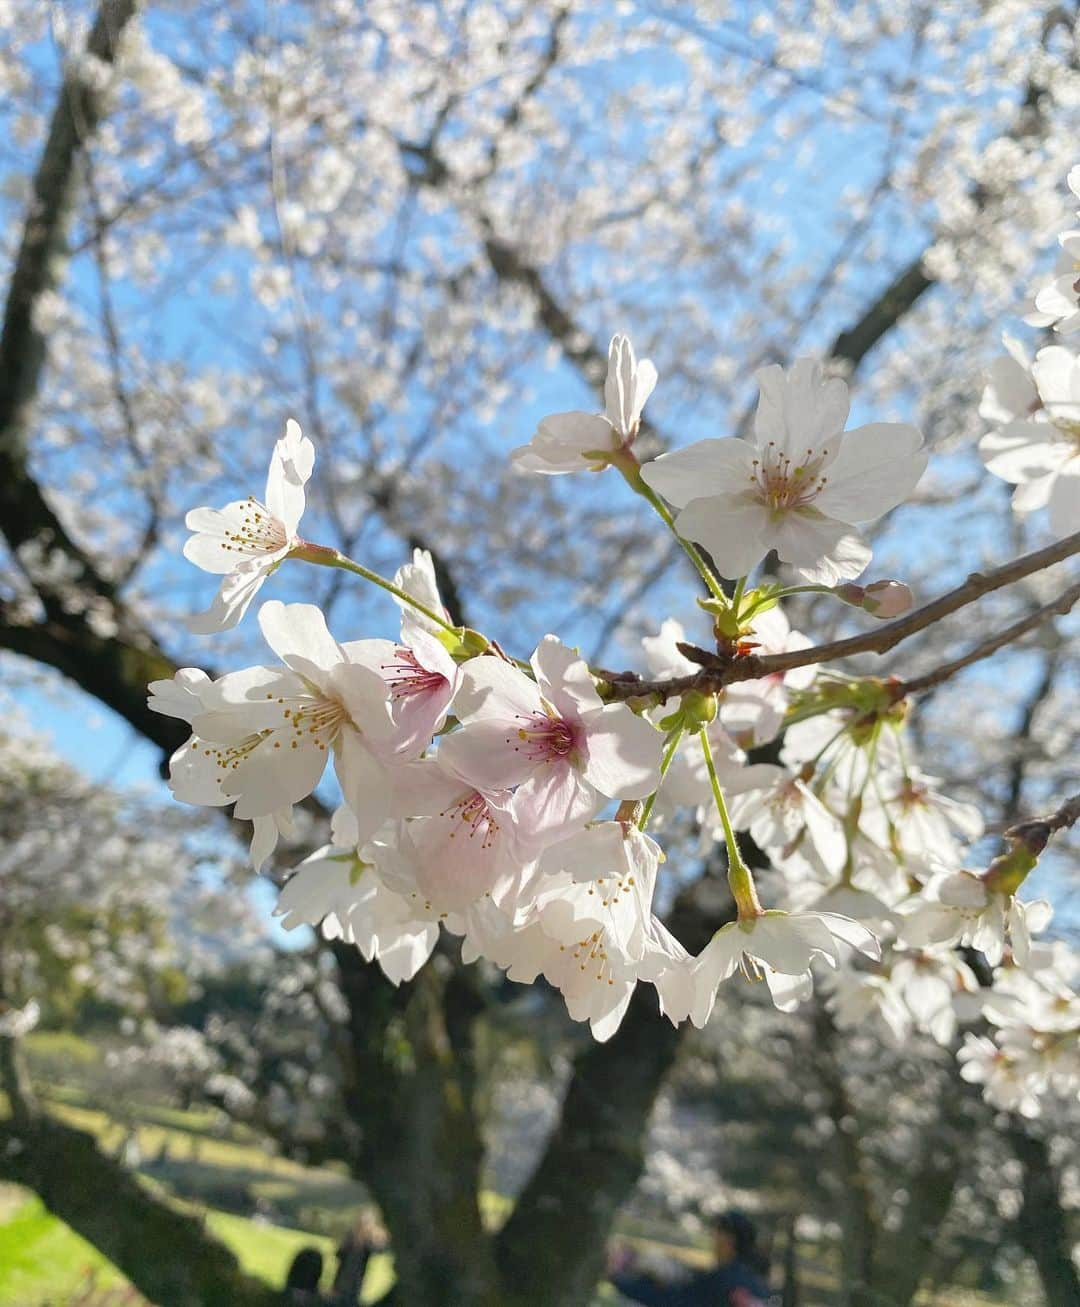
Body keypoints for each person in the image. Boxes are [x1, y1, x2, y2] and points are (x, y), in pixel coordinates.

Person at [609, 1209, 773, 1306]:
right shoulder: (754, 1281)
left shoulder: (725, 1280)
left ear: (727, 1239)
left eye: (716, 1233)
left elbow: (672, 1301)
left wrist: (617, 1278)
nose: (712, 1238)